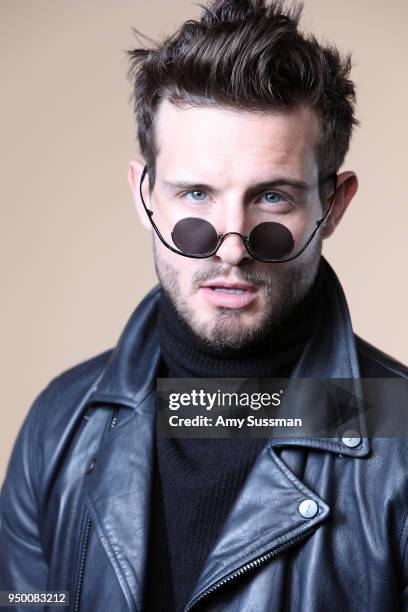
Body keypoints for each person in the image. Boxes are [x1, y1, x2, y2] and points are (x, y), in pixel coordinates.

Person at [1, 0, 407, 610]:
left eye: (272, 197)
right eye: (196, 193)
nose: (233, 246)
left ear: (334, 206)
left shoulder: (398, 439)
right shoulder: (62, 424)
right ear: (146, 197)